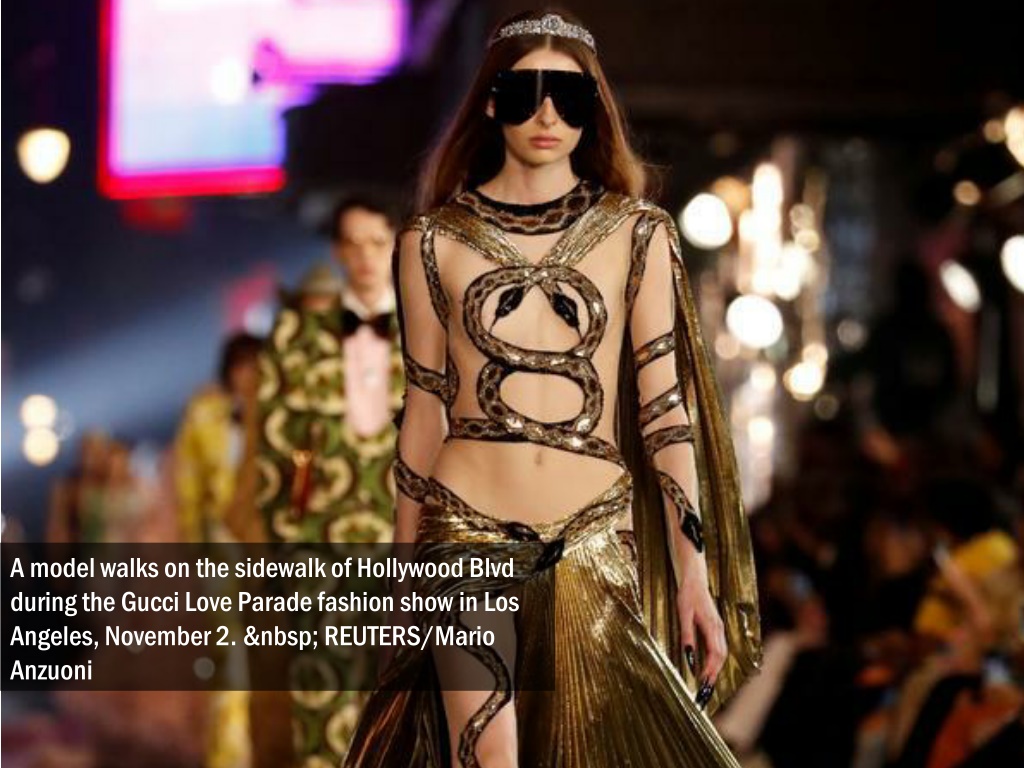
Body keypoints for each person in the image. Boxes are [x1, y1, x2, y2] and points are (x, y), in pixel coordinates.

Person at [343, 10, 761, 768]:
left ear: (593, 111)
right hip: (463, 532)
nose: (546, 115)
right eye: (525, 92)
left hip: (595, 535)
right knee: (488, 757)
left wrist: (693, 578)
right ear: (490, 102)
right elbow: (425, 407)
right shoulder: (430, 241)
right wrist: (400, 573)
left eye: (568, 97)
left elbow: (665, 410)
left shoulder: (637, 233)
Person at [254, 198, 403, 765]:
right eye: (354, 244)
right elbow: (274, 443)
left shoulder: (428, 327)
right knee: (322, 690)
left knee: (406, 693)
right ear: (338, 251)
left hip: (407, 534)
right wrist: (286, 537)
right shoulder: (296, 333)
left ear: (395, 243)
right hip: (319, 538)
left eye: (377, 242)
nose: (366, 257)